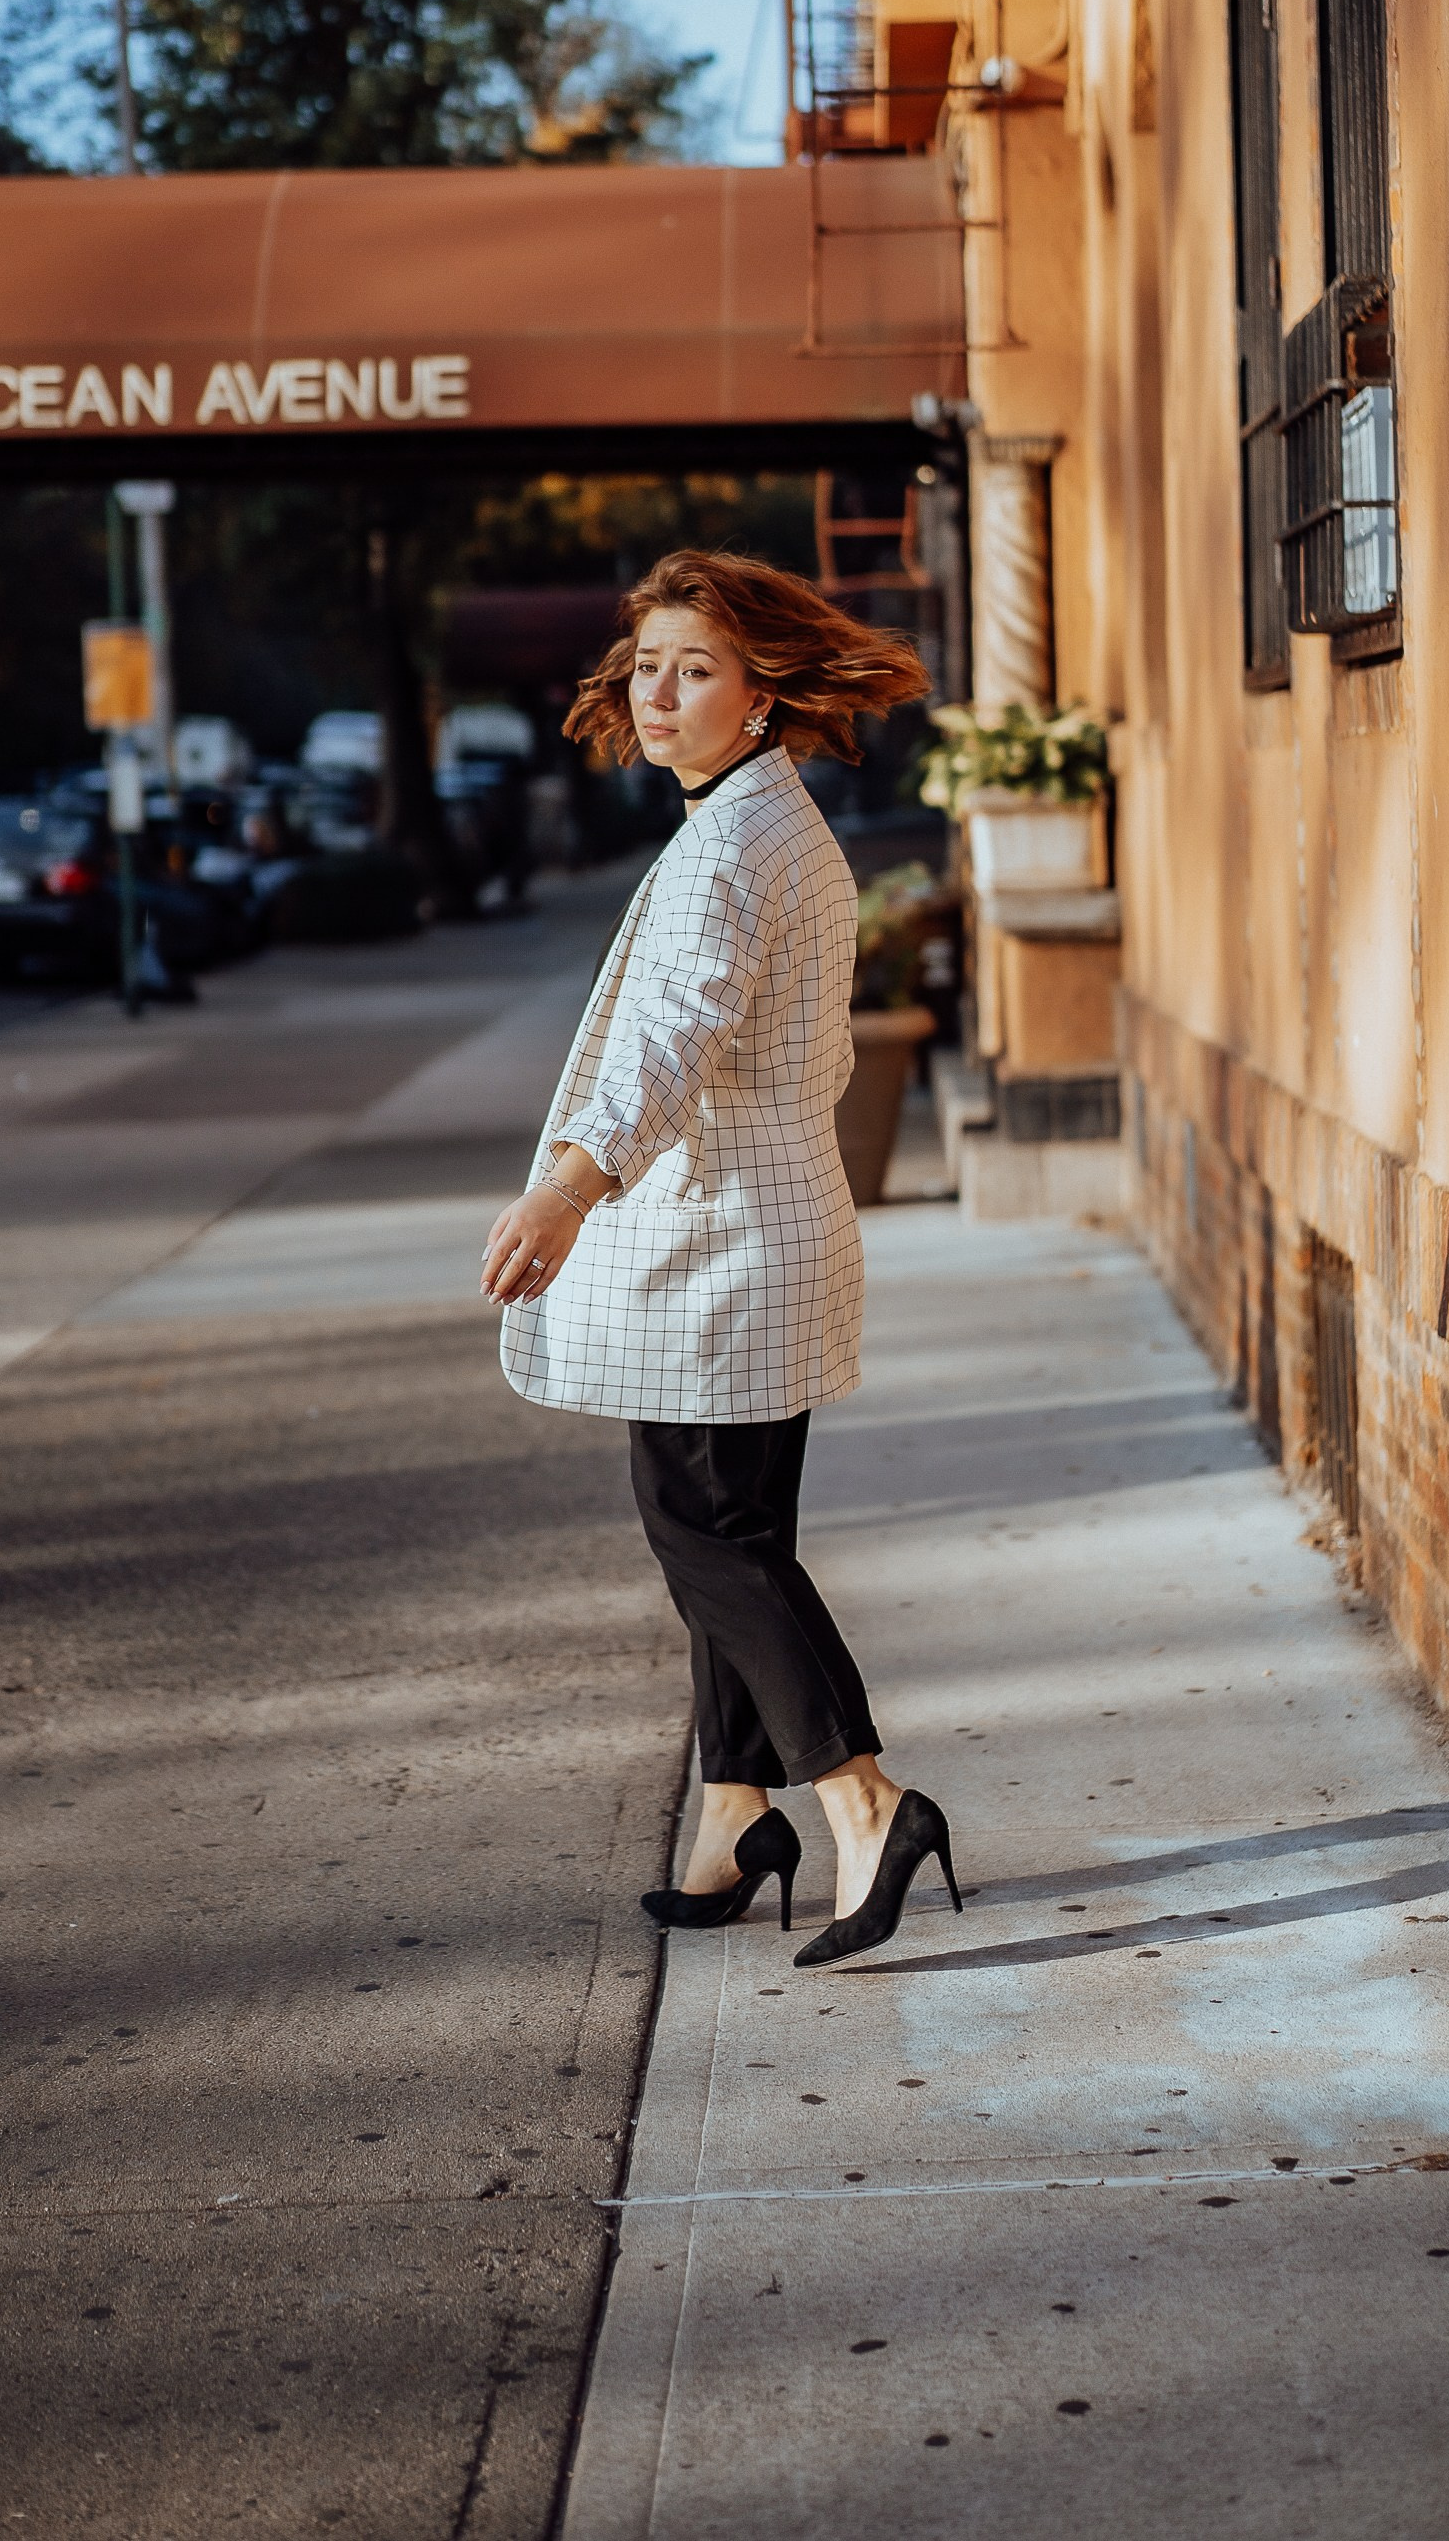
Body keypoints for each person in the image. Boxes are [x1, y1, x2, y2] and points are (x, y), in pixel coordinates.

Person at [481, 549, 961, 1967]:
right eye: (647, 669)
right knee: (735, 1534)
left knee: (704, 1533)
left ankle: (864, 1801)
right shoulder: (770, 821)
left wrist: (570, 1188)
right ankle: (735, 1816)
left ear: (761, 696)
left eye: (696, 672)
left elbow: (671, 1037)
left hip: (717, 1246)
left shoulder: (728, 848)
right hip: (767, 1231)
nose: (661, 697)